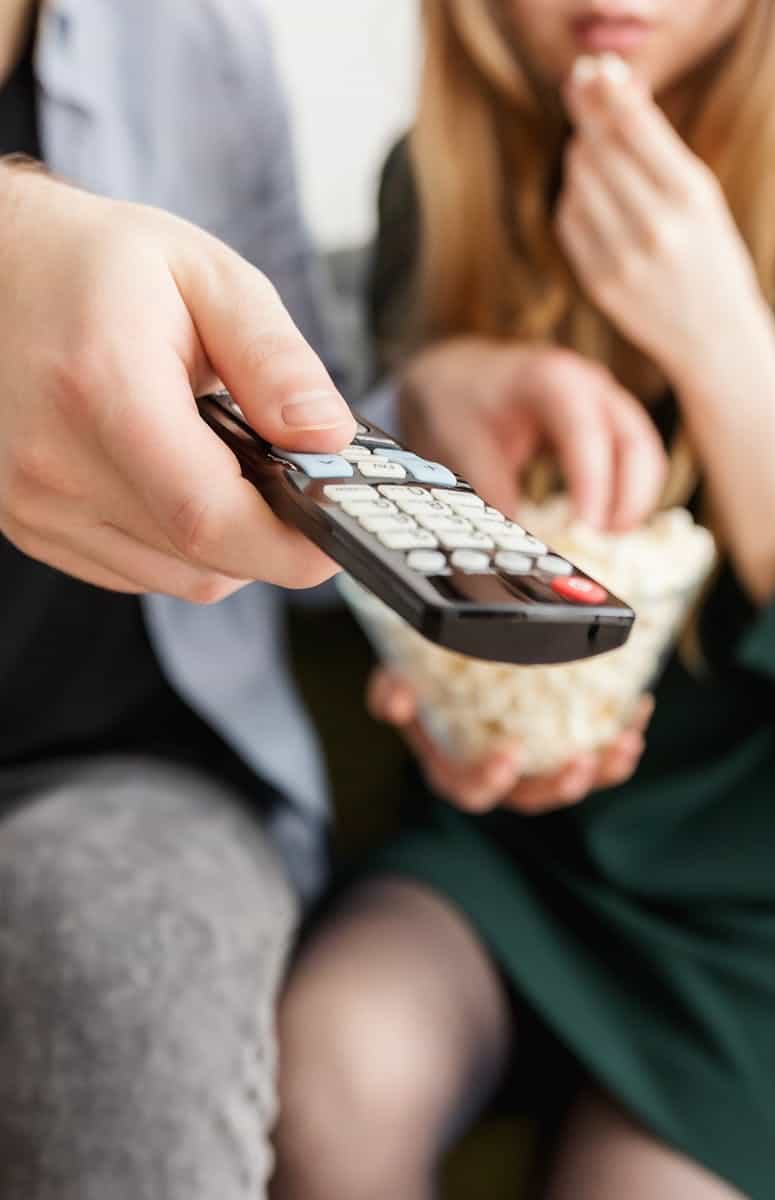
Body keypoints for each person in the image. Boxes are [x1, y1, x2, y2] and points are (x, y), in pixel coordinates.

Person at [274, 2, 775, 1198]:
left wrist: (724, 351)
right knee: (329, 1069)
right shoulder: (441, 181)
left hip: (773, 910)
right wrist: (458, 711)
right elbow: (445, 617)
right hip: (516, 858)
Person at [0, 1, 358, 1197]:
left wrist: (435, 389)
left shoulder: (197, 34)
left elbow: (305, 403)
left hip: (128, 766)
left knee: (128, 976)